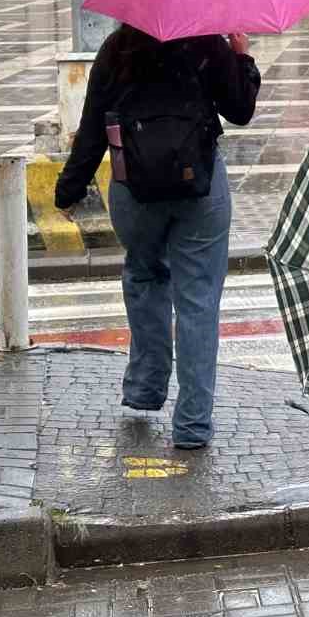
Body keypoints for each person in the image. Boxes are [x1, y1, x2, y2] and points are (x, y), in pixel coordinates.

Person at [55, 26, 261, 450]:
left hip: (134, 190)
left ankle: (145, 390)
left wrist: (68, 190)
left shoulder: (119, 47)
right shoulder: (207, 43)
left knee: (145, 275)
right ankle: (192, 425)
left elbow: (92, 127)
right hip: (199, 188)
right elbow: (240, 110)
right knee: (199, 300)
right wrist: (242, 57)